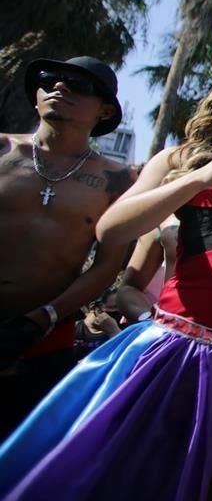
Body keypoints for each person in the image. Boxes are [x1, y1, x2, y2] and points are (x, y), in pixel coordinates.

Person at [0, 62, 212, 500]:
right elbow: (112, 230)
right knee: (152, 475)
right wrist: (202, 177)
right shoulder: (181, 159)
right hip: (185, 352)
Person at [0, 55, 134, 440]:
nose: (59, 87)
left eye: (79, 85)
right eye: (49, 79)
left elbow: (107, 267)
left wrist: (43, 317)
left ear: (105, 109)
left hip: (44, 341)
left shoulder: (117, 180)